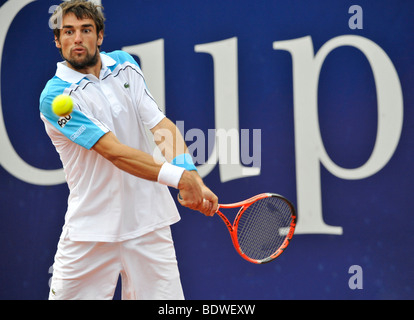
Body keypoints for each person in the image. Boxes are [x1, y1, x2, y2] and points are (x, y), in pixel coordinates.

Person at [40, 0, 218, 300]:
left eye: (86, 30)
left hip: (149, 226)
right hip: (90, 235)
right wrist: (179, 179)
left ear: (100, 36)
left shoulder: (124, 64)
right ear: (57, 41)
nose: (77, 39)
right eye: (68, 32)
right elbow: (114, 152)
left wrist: (191, 174)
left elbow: (159, 125)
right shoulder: (55, 98)